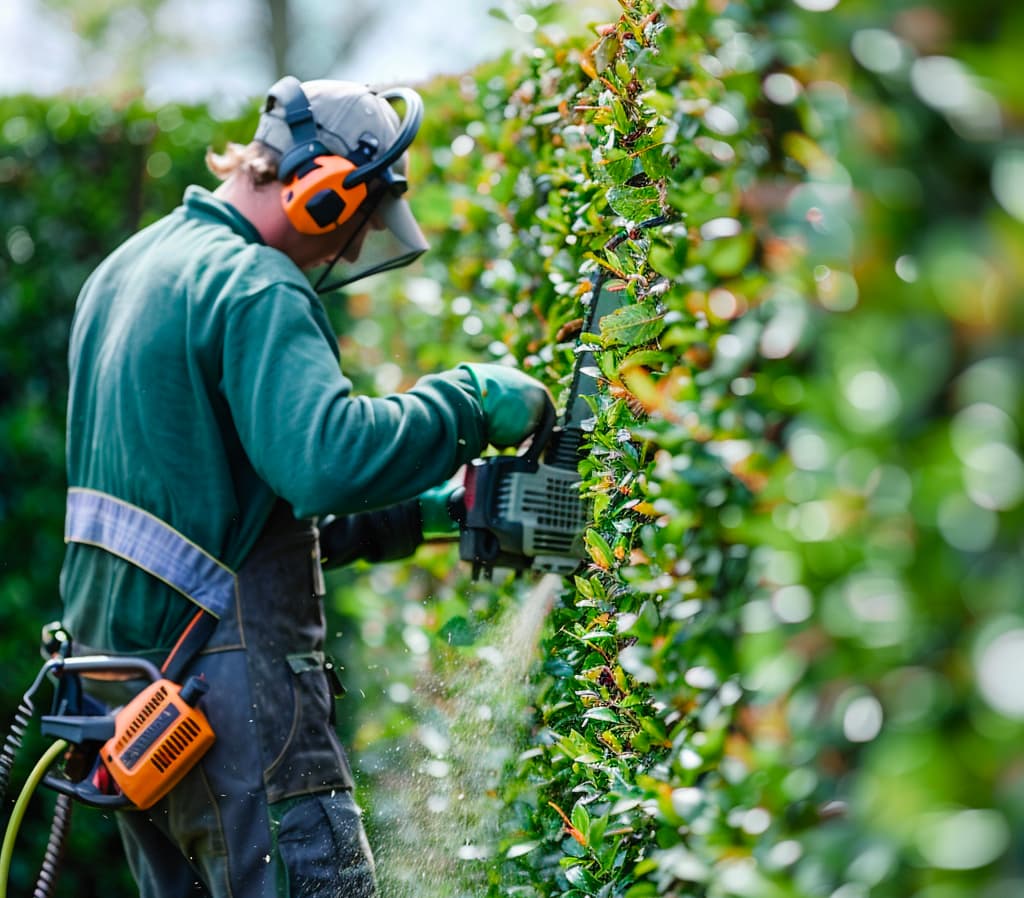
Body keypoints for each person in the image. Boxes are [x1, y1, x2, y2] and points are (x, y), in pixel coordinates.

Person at [58, 75, 551, 897]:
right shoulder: (253, 283)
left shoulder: (126, 272)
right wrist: (465, 403)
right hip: (230, 707)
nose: (354, 249)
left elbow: (224, 509)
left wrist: (430, 510)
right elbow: (326, 459)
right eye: (355, 220)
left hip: (126, 700)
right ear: (322, 192)